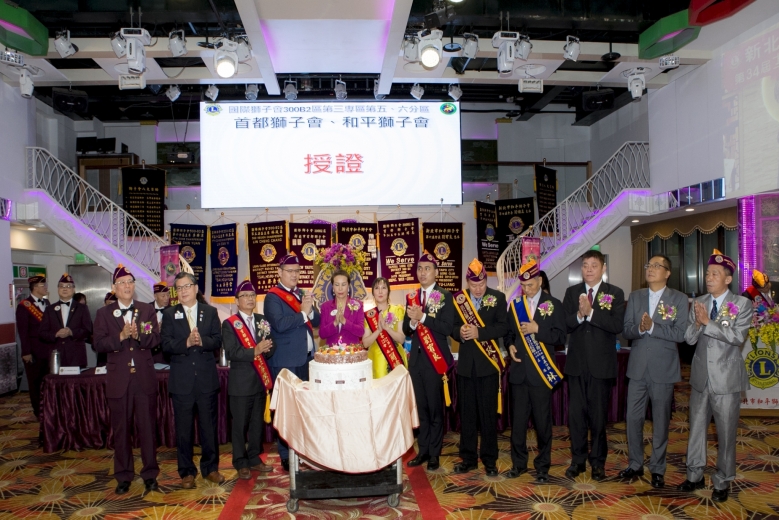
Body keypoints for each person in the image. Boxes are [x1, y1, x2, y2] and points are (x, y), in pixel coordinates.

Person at [677, 249, 751, 503]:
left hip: (726, 379)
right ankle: (694, 475)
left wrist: (709, 322)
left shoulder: (741, 304)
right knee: (696, 429)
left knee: (726, 433)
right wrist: (698, 324)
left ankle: (722, 480)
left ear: (728, 279)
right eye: (708, 273)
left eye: (715, 274)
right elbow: (688, 339)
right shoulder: (699, 302)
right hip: (700, 378)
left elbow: (737, 337)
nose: (709, 278)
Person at [619, 254, 688, 489]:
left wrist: (653, 327)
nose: (650, 269)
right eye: (649, 265)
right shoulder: (635, 296)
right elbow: (626, 330)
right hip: (637, 368)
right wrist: (640, 329)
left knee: (660, 421)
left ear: (667, 273)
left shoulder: (678, 299)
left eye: (657, 266)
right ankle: (635, 463)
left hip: (663, 369)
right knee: (633, 419)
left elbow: (681, 334)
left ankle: (658, 468)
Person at [92, 264, 160, 494]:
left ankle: (150, 474)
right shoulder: (104, 313)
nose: (127, 286)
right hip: (118, 380)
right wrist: (120, 337)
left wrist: (139, 336)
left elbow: (155, 339)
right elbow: (98, 344)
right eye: (122, 283)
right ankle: (123, 475)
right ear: (114, 287)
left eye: (130, 282)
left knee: (148, 429)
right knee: (121, 430)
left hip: (143, 378)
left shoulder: (146, 310)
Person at [562, 249, 625, 481]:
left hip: (601, 366)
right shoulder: (572, 292)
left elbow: (617, 325)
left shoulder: (614, 293)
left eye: (594, 265)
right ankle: (578, 460)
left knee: (598, 418)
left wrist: (591, 313)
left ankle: (598, 462)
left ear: (603, 268)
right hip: (577, 365)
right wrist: (579, 316)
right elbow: (564, 324)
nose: (589, 269)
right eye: (585, 265)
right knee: (576, 417)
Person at [504, 259, 565, 483]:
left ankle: (542, 467)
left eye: (530, 285)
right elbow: (509, 334)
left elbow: (560, 337)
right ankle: (518, 464)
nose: (526, 289)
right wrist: (509, 345)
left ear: (539, 281)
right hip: (519, 373)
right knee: (518, 424)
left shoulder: (553, 304)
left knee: (542, 424)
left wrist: (538, 329)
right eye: (523, 286)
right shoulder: (515, 305)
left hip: (541, 374)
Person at [161, 272, 224, 489]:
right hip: (182, 381)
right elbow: (165, 345)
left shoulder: (210, 311)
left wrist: (201, 341)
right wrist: (186, 343)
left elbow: (218, 340)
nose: (183, 291)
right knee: (183, 429)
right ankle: (187, 471)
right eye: (179, 288)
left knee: (209, 427)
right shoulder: (170, 314)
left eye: (187, 286)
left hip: (206, 380)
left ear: (196, 288)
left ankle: (211, 468)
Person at [450, 258, 508, 477]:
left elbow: (503, 327)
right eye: (474, 285)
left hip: (488, 366)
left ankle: (490, 459)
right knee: (467, 415)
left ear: (486, 280)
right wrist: (460, 333)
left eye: (481, 284)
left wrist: (479, 333)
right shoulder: (459, 300)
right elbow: (452, 327)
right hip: (466, 367)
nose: (477, 289)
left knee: (487, 415)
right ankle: (468, 458)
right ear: (468, 282)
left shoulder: (498, 298)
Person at [263, 251, 320, 472]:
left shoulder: (301, 294)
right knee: (285, 408)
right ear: (280, 272)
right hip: (285, 361)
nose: (294, 275)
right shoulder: (272, 297)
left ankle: (303, 449)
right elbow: (279, 324)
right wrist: (304, 314)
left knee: (304, 407)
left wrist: (310, 311)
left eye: (297, 271)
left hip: (305, 359)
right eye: (290, 271)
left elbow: (317, 320)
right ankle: (286, 453)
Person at [403, 251, 454, 472]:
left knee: (434, 409)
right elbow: (406, 329)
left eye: (427, 269)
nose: (422, 272)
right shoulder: (411, 297)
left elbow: (448, 328)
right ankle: (423, 450)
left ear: (436, 272)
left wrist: (423, 317)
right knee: (421, 409)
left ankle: (434, 453)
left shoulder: (445, 296)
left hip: (435, 360)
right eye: (420, 269)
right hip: (416, 361)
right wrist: (413, 323)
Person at [223, 280, 275, 479]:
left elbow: (271, 345)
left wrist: (268, 349)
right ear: (237, 301)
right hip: (241, 384)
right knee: (240, 425)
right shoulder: (230, 324)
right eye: (245, 296)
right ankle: (240, 461)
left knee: (256, 425)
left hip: (260, 381)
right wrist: (256, 350)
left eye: (252, 295)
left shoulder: (262, 320)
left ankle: (254, 457)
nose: (249, 299)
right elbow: (232, 352)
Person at [39, 273, 93, 368]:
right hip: (56, 357)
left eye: (68, 286)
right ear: (58, 289)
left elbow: (88, 330)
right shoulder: (50, 309)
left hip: (76, 357)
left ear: (73, 289)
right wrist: (56, 334)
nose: (64, 289)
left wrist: (72, 332)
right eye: (61, 286)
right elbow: (42, 333)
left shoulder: (82, 308)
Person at [16, 275, 49, 419]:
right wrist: (26, 352)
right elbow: (23, 332)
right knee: (35, 383)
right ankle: (38, 412)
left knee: (47, 382)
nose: (46, 288)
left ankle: (48, 409)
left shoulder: (47, 302)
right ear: (35, 288)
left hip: (48, 350)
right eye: (43, 286)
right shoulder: (24, 306)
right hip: (33, 351)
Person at [363, 277, 407, 379]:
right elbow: (365, 343)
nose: (380, 291)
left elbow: (401, 339)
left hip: (395, 358)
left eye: (383, 288)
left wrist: (387, 329)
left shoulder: (398, 310)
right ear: (373, 292)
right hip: (376, 360)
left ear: (388, 291)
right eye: (377, 288)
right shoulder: (369, 315)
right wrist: (378, 330)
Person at [320, 269, 365, 346]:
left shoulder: (358, 305)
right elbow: (322, 334)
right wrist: (335, 323)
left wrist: (345, 321)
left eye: (343, 284)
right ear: (333, 287)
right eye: (337, 285)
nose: (340, 288)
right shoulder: (326, 306)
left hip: (351, 350)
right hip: (332, 351)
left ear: (348, 286)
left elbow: (361, 332)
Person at [150, 282, 170, 363]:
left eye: (168, 295)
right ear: (155, 296)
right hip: (151, 352)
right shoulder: (147, 309)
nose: (166, 298)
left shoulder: (172, 311)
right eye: (163, 296)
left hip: (167, 354)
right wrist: (155, 329)